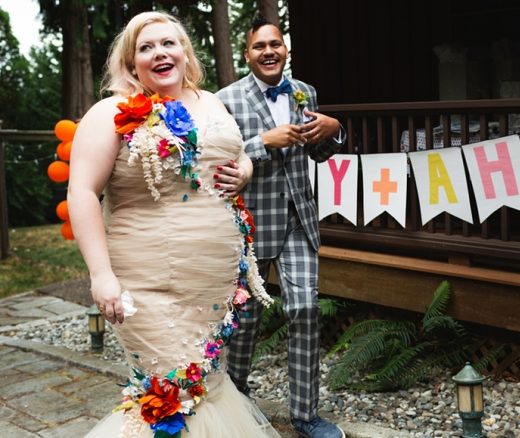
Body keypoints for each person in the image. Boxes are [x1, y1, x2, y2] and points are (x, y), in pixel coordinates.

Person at [68, 11, 279, 438]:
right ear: (131, 64)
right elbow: (82, 193)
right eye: (146, 48)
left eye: (169, 43)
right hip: (147, 283)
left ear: (185, 52)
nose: (160, 53)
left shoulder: (210, 101)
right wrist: (101, 275)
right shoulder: (110, 114)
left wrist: (244, 170)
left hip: (213, 287)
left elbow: (232, 154)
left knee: (206, 389)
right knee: (168, 396)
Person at [216, 18, 346, 438]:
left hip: (299, 222)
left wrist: (334, 130)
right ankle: (233, 401)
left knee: (305, 310)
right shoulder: (225, 99)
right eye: (259, 46)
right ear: (247, 53)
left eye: (275, 44)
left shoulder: (305, 91)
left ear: (285, 49)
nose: (268, 51)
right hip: (250, 228)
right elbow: (217, 164)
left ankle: (305, 416)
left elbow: (321, 152)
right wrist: (261, 144)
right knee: (246, 319)